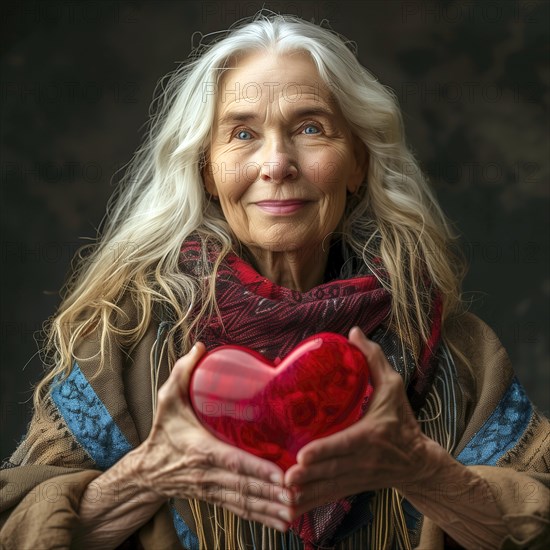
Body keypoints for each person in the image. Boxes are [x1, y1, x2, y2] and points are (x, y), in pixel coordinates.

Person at [1, 12, 548, 550]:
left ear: (358, 162)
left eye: (310, 128)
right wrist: (147, 475)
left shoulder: (454, 347)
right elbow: (17, 526)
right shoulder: (126, 340)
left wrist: (426, 474)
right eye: (242, 133)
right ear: (207, 172)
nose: (277, 163)